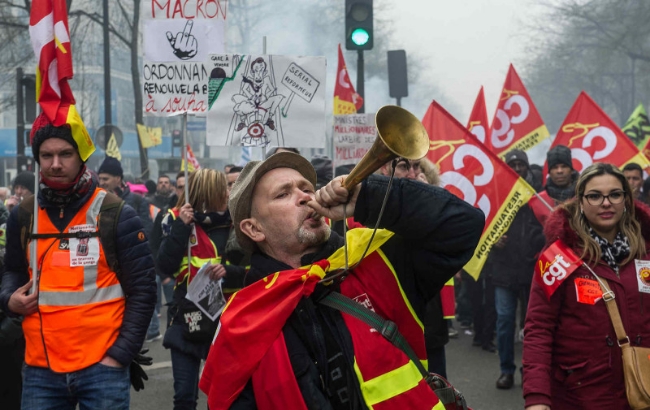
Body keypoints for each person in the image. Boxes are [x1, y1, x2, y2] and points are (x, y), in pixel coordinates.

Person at [199, 152, 485, 409]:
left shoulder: (375, 259)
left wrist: (367, 197)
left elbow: (464, 225)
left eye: (307, 188)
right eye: (283, 194)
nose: (305, 197)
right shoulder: (240, 321)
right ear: (254, 228)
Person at [0, 113, 156, 409]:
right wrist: (9, 299)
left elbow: (144, 291)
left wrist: (120, 354)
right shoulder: (23, 215)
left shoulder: (117, 214)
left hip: (102, 368)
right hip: (39, 369)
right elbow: (13, 271)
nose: (55, 164)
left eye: (65, 154)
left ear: (81, 157)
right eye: (46, 155)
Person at [523, 162, 650, 409]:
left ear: (626, 200)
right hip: (579, 396)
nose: (606, 203)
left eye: (615, 194)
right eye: (594, 196)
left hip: (642, 391)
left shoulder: (646, 252)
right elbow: (539, 330)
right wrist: (537, 398)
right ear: (580, 202)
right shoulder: (556, 257)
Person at [158, 168, 246, 410]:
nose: (229, 192)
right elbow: (164, 265)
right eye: (224, 188)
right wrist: (181, 228)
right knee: (184, 397)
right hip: (185, 319)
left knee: (223, 398)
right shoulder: (177, 219)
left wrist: (231, 273)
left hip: (225, 322)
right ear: (209, 191)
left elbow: (257, 273)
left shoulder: (238, 222)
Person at [488, 149, 545, 389]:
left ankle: (529, 371)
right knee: (504, 321)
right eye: (513, 164)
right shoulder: (496, 195)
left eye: (521, 164)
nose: (518, 168)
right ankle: (506, 370)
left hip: (532, 269)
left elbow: (548, 226)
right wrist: (492, 240)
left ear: (527, 166)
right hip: (503, 271)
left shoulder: (538, 196)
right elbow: (484, 227)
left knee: (531, 326)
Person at [98, 156, 154, 235]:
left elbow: (146, 231)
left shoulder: (137, 200)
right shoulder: (96, 200)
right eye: (99, 179)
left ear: (118, 178)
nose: (101, 183)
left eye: (105, 179)